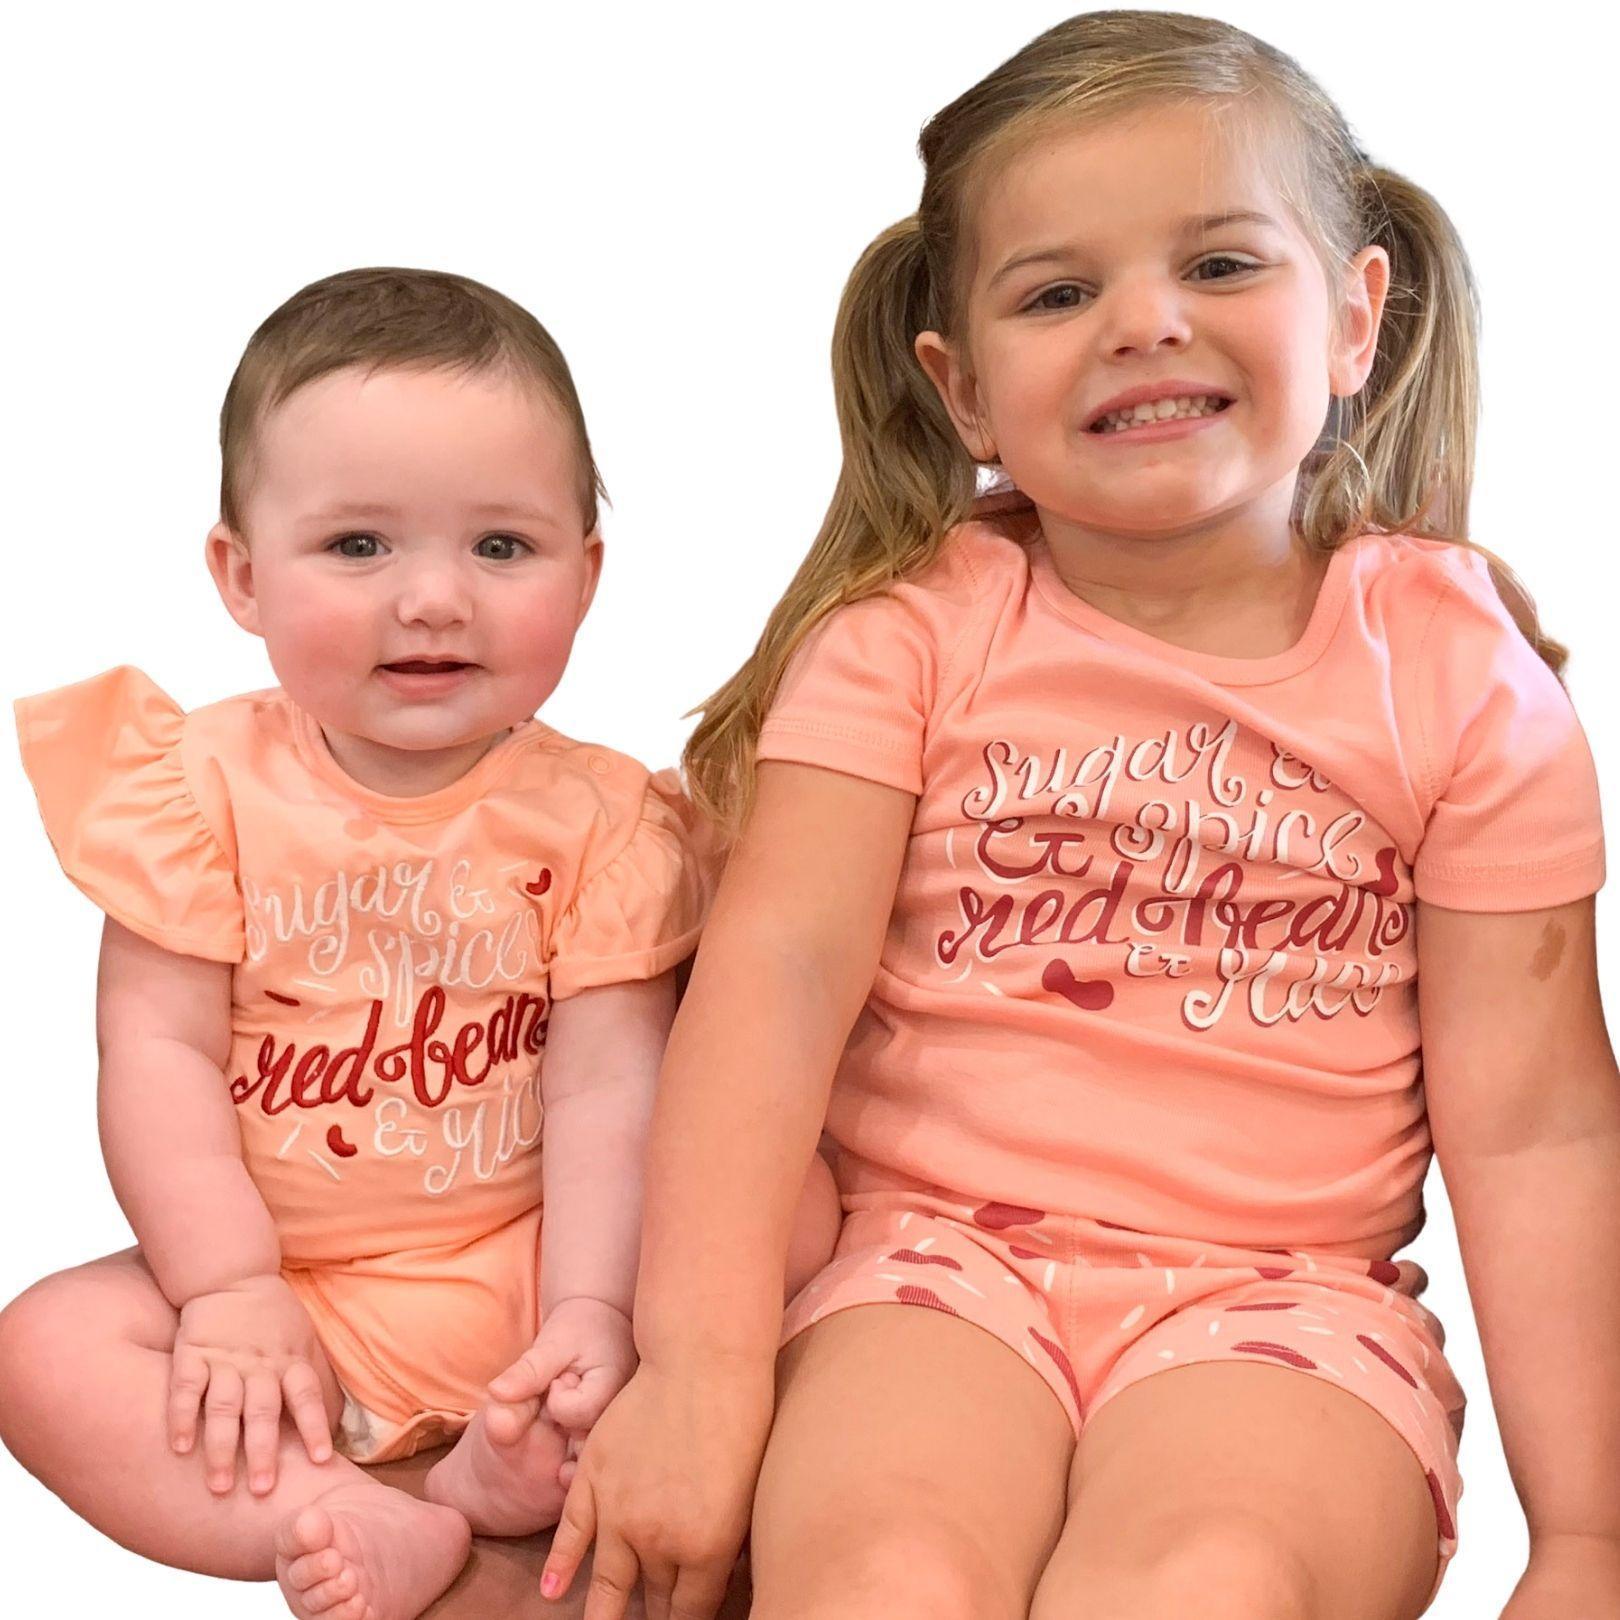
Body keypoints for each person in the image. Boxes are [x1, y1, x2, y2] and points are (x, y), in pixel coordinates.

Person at [540, 13, 1615, 1620]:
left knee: (1204, 1581)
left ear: (1355, 319)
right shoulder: (911, 634)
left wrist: (1590, 1533)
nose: (1145, 324)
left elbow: (1536, 1121)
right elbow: (767, 994)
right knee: (885, 1575)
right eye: (1058, 293)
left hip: (1294, 1301)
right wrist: (696, 1374)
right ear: (963, 389)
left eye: (1224, 266)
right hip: (930, 1267)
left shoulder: (1459, 678)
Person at [0, 267, 836, 1620]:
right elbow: (152, 1050)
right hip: (296, 1295)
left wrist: (590, 1318)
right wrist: (224, 1289)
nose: (437, 599)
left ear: (587, 572)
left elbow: (610, 1087)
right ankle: (369, 1513)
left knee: (791, 1216)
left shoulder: (606, 818)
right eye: (360, 548)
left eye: (501, 548)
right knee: (44, 1349)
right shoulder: (192, 789)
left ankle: (514, 1455)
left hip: (526, 1259)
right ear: (241, 575)